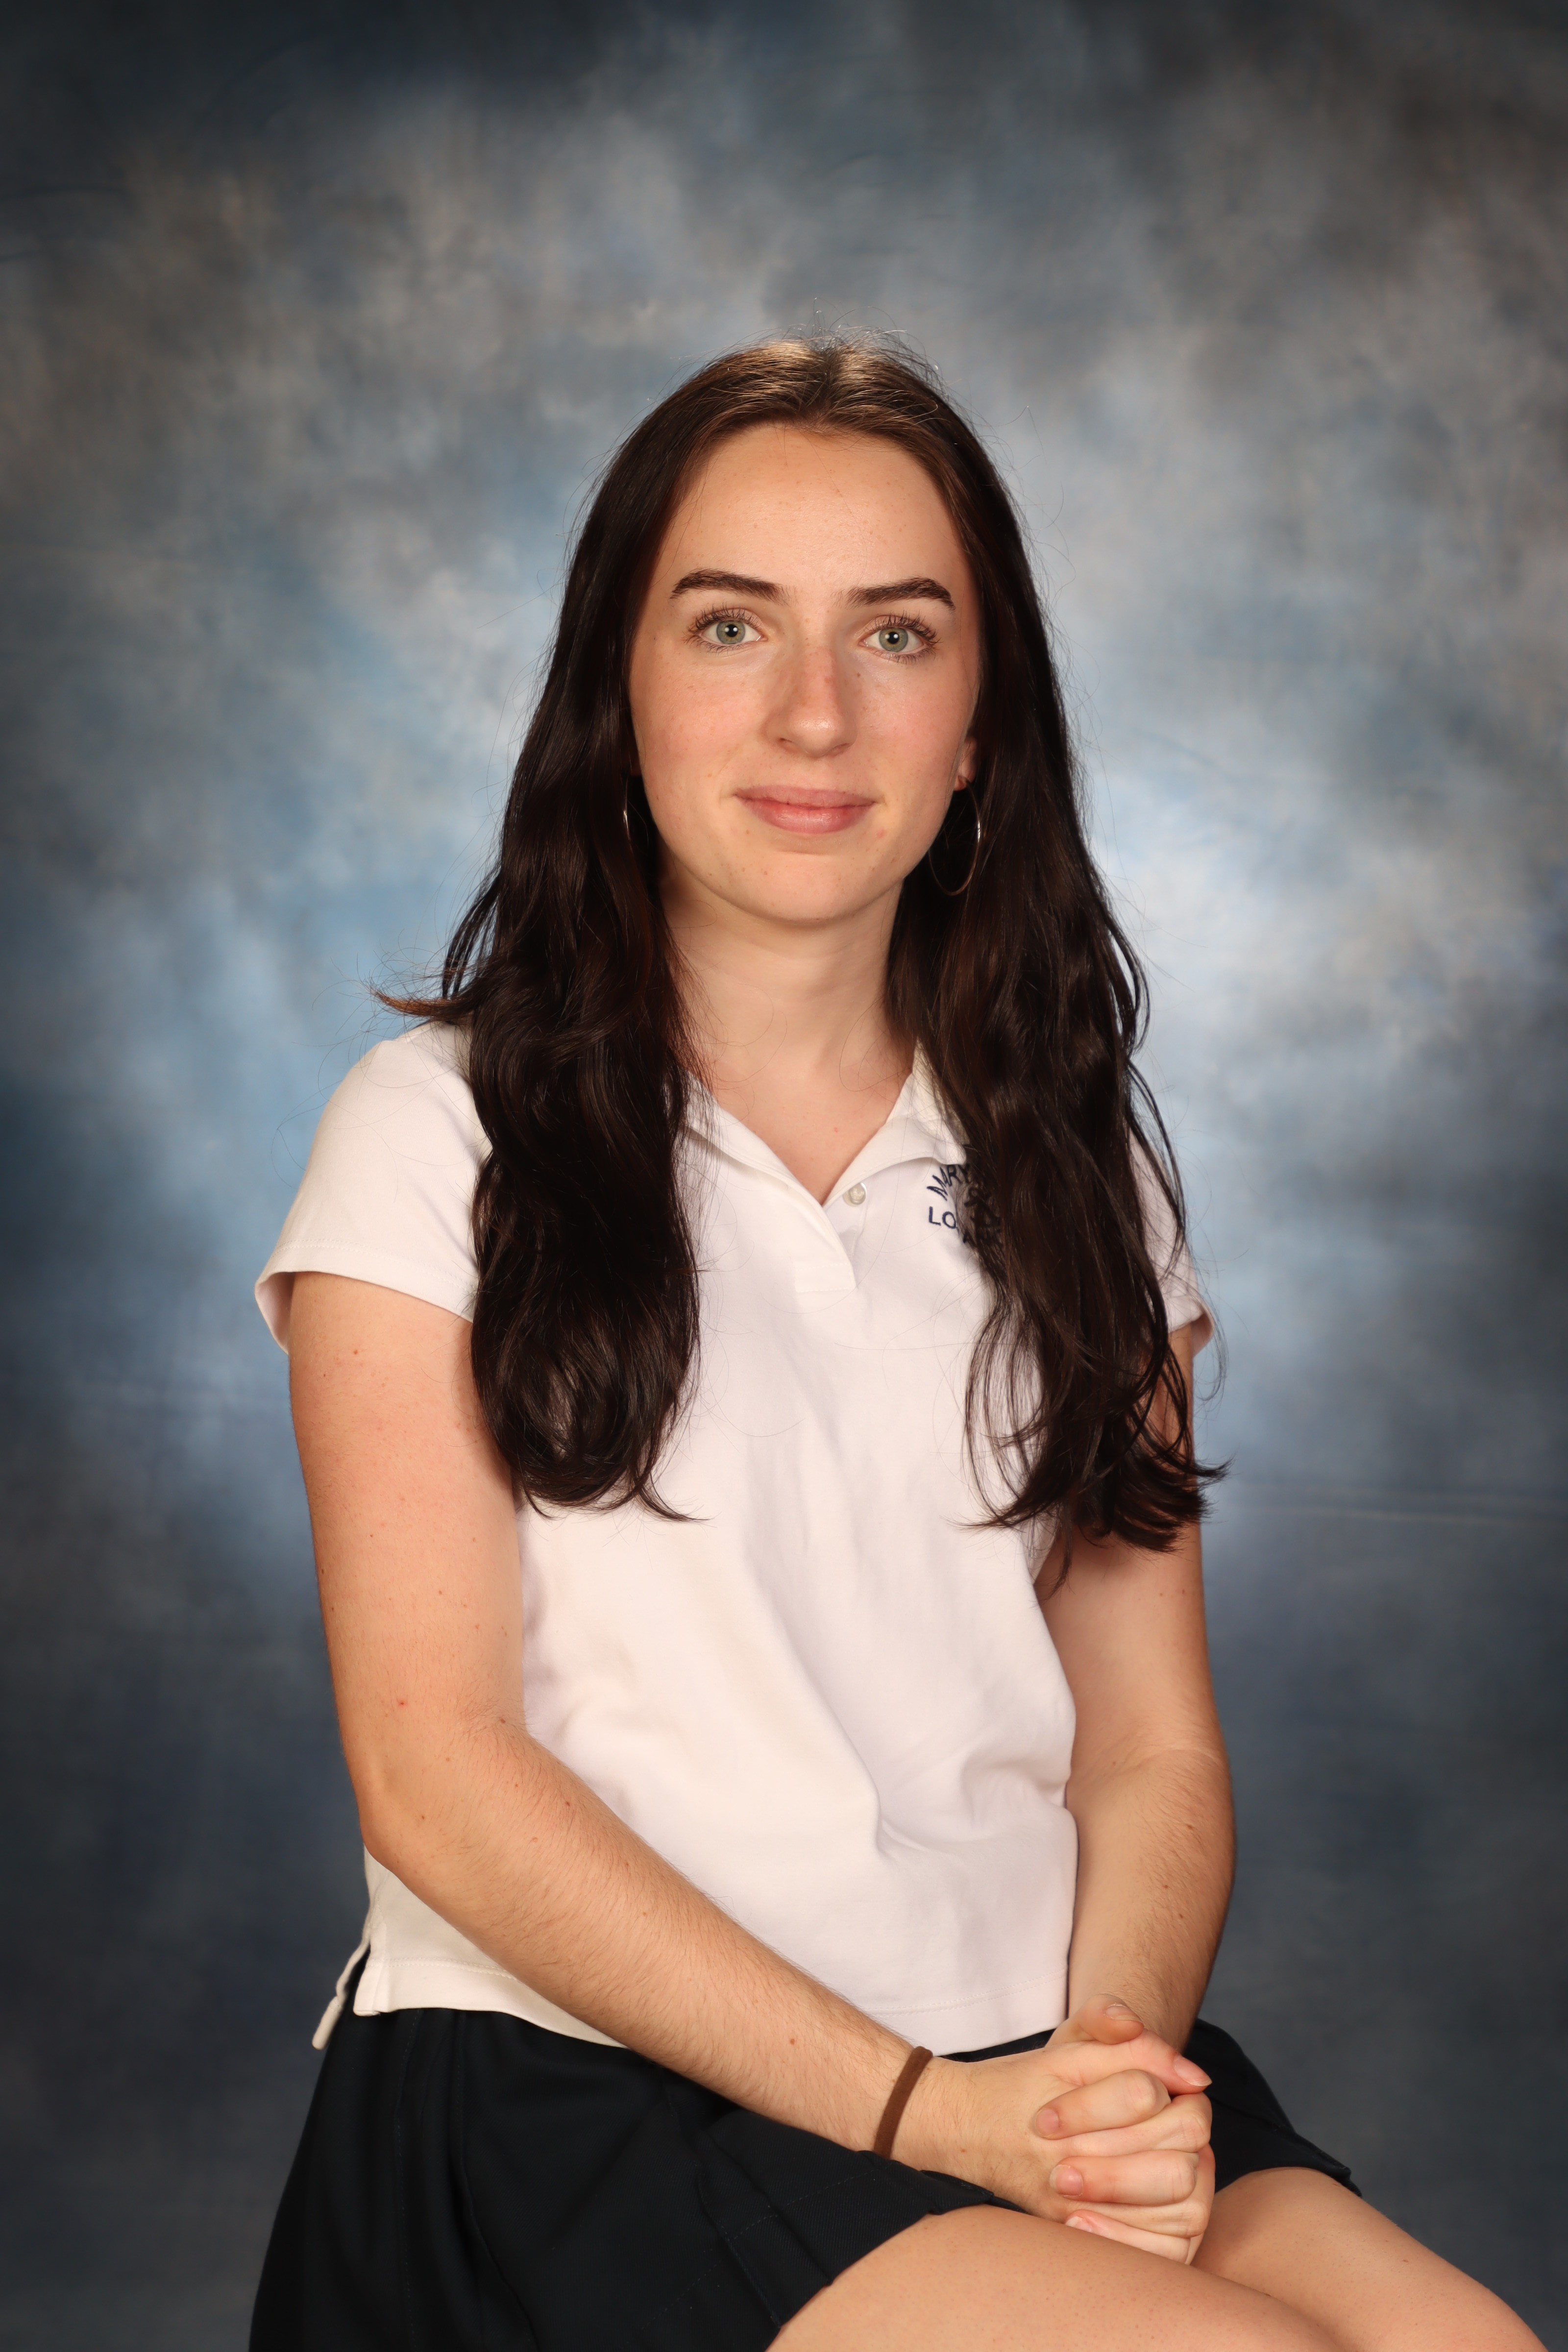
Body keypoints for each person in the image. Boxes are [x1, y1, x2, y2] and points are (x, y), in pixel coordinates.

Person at [249, 337, 1541, 2352]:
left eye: (897, 633)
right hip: (588, 2090)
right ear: (614, 692)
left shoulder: (1075, 1164)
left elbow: (1150, 1746)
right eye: (730, 624)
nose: (813, 712)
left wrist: (1098, 2085)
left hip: (1028, 2046)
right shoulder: (437, 1136)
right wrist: (933, 2118)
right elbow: (436, 1774)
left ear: (978, 731)